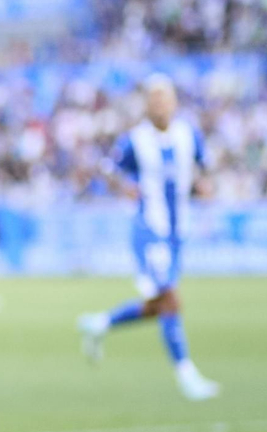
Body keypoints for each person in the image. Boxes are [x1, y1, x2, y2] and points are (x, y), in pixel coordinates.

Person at [79, 74, 220, 400]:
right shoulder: (135, 140)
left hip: (177, 231)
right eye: (153, 99)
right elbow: (107, 168)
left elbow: (205, 167)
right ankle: (186, 374)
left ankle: (101, 323)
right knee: (171, 299)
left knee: (160, 303)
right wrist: (124, 188)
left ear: (173, 102)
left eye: (164, 98)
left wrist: (203, 185)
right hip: (149, 230)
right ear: (146, 104)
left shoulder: (188, 134)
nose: (159, 104)